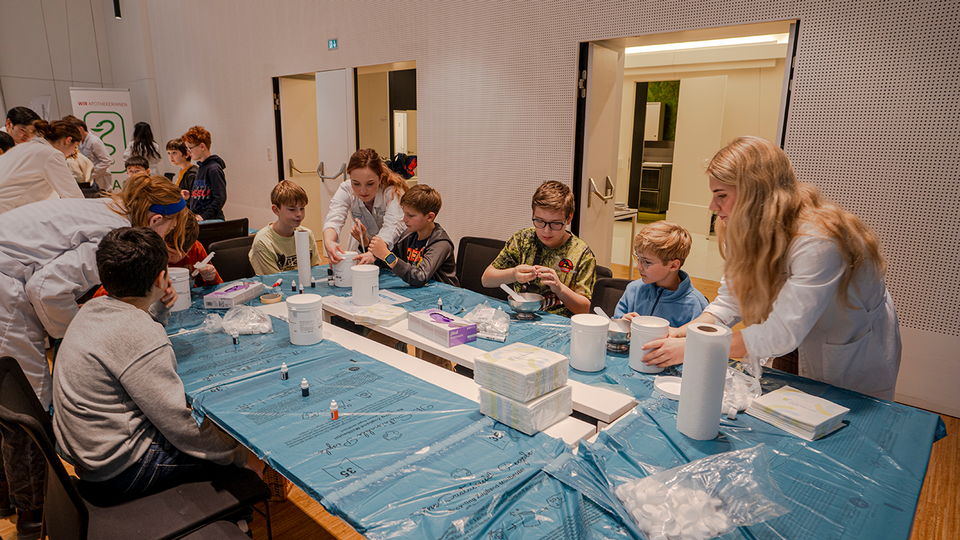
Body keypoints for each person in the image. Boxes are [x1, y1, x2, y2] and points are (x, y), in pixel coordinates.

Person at [0, 175, 190, 538]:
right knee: (27, 402)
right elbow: (46, 289)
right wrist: (85, 338)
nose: (164, 241)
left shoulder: (110, 210)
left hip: (10, 271)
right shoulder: (113, 232)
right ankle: (33, 511)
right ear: (154, 221)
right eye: (167, 233)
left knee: (8, 395)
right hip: (7, 285)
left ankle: (6, 497)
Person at [641, 136, 901, 400]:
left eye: (722, 195)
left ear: (755, 195)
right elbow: (730, 303)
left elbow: (782, 332)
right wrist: (684, 331)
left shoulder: (818, 242)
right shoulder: (743, 229)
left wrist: (695, 347)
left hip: (845, 349)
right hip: (793, 344)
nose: (712, 206)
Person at [52, 227, 262, 504]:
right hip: (122, 470)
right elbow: (179, 425)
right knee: (247, 448)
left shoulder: (93, 308)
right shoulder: (139, 332)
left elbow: (133, 343)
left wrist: (158, 309)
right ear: (162, 277)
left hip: (91, 455)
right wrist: (241, 455)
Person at [481, 181, 596, 317]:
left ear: (569, 218)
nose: (546, 231)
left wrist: (560, 289)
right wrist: (513, 274)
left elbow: (585, 310)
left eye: (555, 223)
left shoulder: (582, 254)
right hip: (521, 317)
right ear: (533, 213)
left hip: (561, 324)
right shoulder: (522, 240)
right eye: (539, 221)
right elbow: (486, 280)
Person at [93, 215, 221, 297]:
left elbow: (216, 288)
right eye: (170, 252)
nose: (177, 258)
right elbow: (110, 289)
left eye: (184, 252)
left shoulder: (196, 248)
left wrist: (211, 277)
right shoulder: (147, 254)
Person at [322, 148, 406, 266]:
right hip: (363, 245)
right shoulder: (346, 189)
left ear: (380, 178)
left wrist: (375, 252)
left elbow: (392, 226)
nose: (363, 191)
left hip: (392, 246)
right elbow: (334, 218)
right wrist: (329, 241)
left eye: (370, 184)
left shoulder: (392, 191)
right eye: (356, 183)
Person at [613, 221, 707, 326]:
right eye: (638, 259)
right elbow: (614, 329)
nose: (638, 267)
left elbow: (700, 341)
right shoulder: (634, 290)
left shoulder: (695, 305)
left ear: (673, 265)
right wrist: (621, 323)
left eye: (647, 262)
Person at [368, 184, 459, 287]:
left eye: (410, 215)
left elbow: (420, 277)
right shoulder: (408, 235)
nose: (404, 219)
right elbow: (389, 264)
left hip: (444, 296)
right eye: (404, 213)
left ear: (429, 217)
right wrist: (368, 244)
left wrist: (385, 254)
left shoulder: (441, 243)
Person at [0, 119, 84, 214]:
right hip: (7, 212)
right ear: (68, 140)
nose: (73, 152)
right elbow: (74, 196)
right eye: (75, 147)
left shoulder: (23, 147)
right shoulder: (51, 154)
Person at [249, 180, 321, 275]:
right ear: (276, 210)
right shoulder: (263, 242)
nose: (299, 214)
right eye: (292, 209)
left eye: (302, 208)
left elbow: (315, 272)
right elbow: (273, 282)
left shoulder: (307, 234)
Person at [182, 125, 226, 221]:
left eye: (190, 148)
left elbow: (220, 197)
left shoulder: (214, 169)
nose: (189, 152)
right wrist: (191, 194)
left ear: (202, 146)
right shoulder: (201, 168)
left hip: (211, 219)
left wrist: (204, 216)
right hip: (201, 217)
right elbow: (206, 193)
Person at [66, 115, 113, 190]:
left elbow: (106, 160)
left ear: (81, 128)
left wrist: (91, 174)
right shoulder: (80, 141)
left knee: (103, 197)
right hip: (90, 178)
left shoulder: (94, 141)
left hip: (100, 176)